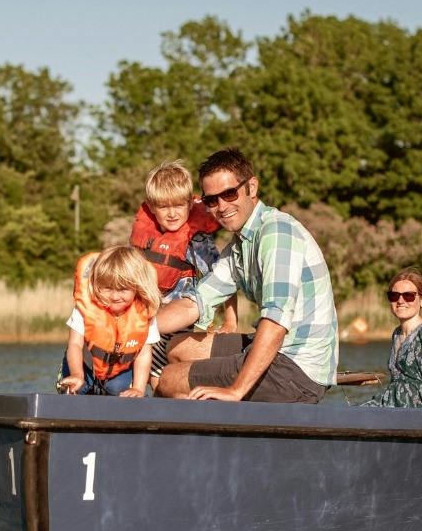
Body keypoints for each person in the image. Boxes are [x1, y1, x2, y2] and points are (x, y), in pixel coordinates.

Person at [153, 148, 338, 404]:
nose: (222, 207)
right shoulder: (240, 245)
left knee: (169, 379)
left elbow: (276, 320)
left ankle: (211, 434)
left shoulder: (276, 232)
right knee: (176, 347)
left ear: (252, 187)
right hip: (276, 352)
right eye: (211, 200)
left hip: (298, 371)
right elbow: (193, 303)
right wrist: (131, 327)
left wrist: (236, 390)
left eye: (229, 194)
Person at [130, 160, 237, 376]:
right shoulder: (146, 235)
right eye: (163, 206)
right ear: (151, 207)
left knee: (166, 378)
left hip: (178, 327)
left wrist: (231, 321)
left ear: (190, 204)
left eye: (178, 205)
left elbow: (223, 278)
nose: (172, 214)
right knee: (151, 384)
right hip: (148, 320)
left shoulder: (196, 239)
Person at [58, 245, 162, 398]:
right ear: (97, 284)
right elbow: (75, 345)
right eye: (107, 288)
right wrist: (77, 374)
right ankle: (75, 381)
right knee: (76, 389)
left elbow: (143, 355)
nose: (114, 296)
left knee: (119, 391)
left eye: (122, 290)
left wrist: (138, 389)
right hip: (83, 366)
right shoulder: (84, 308)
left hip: (119, 370)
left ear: (137, 288)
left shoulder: (145, 313)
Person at [359, 269, 422, 409]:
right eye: (394, 295)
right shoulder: (397, 333)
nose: (400, 301)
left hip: (416, 411)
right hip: (392, 404)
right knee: (354, 414)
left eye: (408, 296)